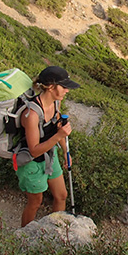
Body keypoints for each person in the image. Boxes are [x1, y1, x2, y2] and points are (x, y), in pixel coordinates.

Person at [17, 66, 80, 227]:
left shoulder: (55, 105)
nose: (67, 90)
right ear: (51, 87)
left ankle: (56, 232)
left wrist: (66, 153)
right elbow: (34, 150)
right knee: (35, 202)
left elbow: (56, 128)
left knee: (61, 195)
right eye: (64, 86)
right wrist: (59, 136)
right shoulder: (31, 114)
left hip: (49, 157)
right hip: (32, 163)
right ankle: (23, 237)